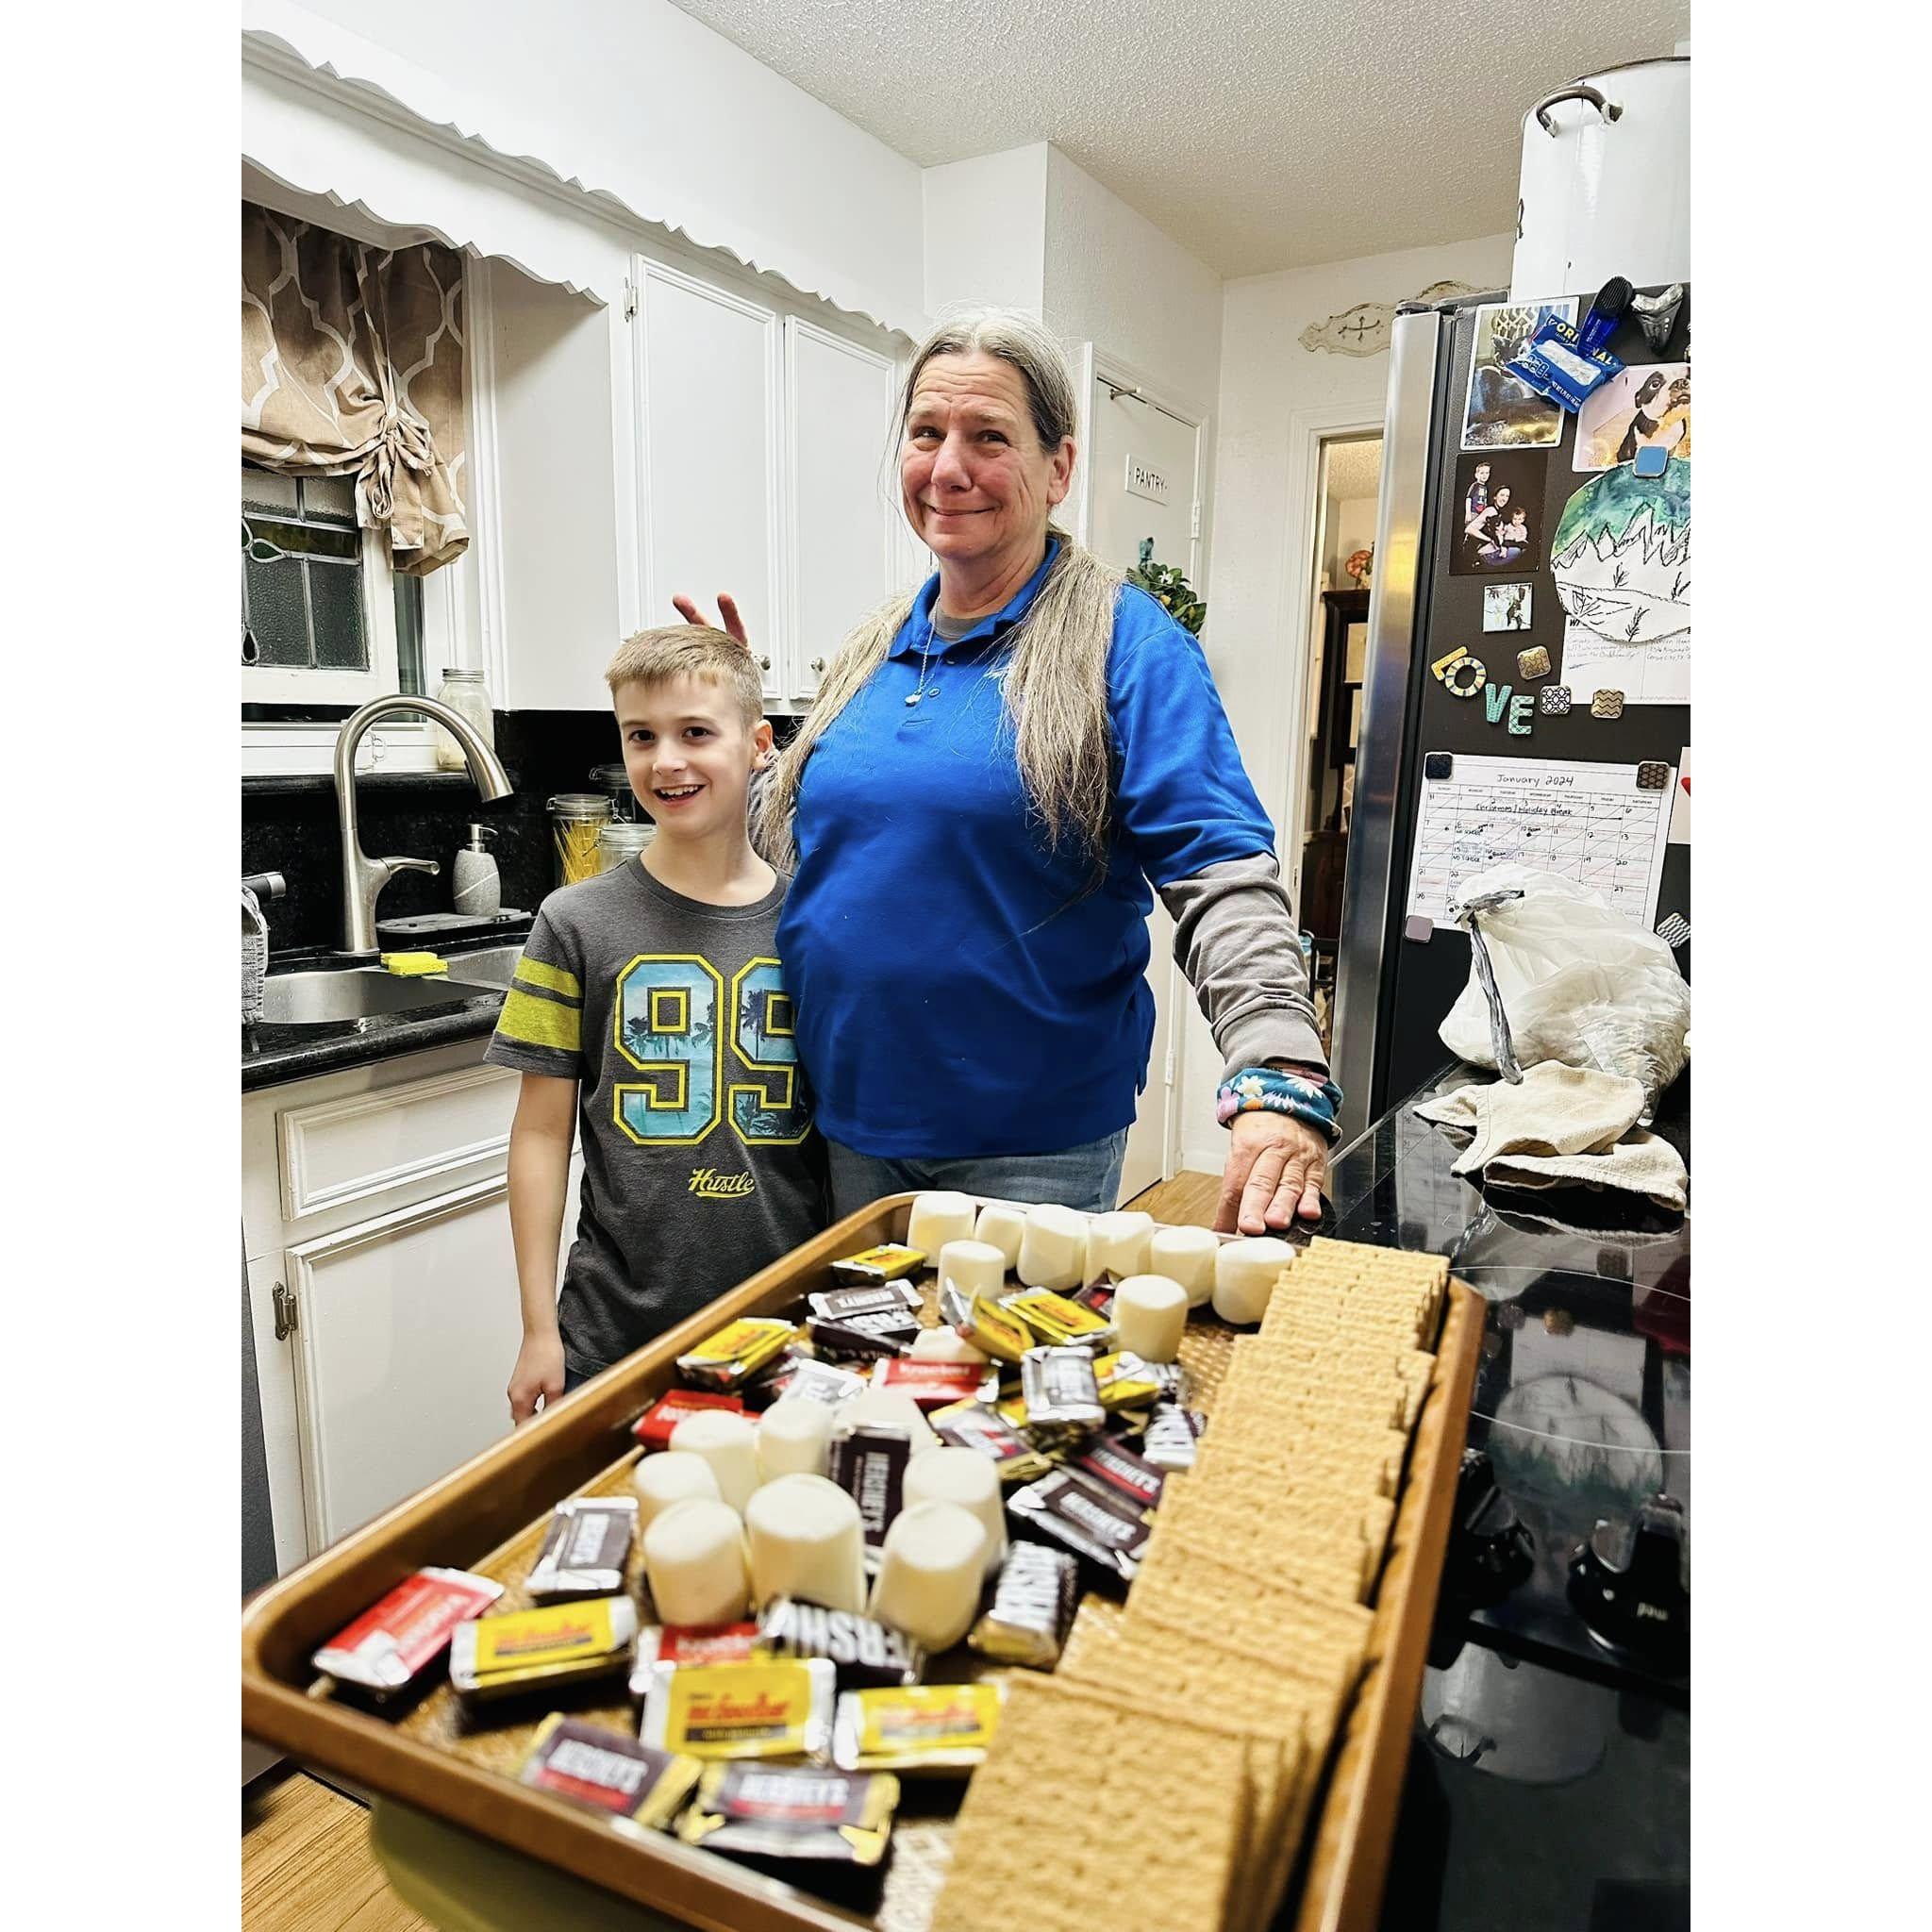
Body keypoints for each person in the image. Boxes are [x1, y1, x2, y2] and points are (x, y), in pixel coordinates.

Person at [675, 308, 1335, 1236]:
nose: (949, 468)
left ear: (1058, 467)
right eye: (925, 434)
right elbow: (800, 854)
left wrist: (1276, 1067)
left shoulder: (1125, 643)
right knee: (871, 1377)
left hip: (1027, 1150)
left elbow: (1218, 868)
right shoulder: (868, 649)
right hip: (846, 1122)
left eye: (989, 437)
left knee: (1002, 1380)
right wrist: (736, 760)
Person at [487, 626, 824, 1420]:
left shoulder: (815, 924)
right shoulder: (572, 923)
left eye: (696, 732)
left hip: (786, 1323)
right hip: (614, 1334)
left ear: (759, 745)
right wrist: (540, 1328)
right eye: (641, 736)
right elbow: (539, 1134)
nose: (665, 760)